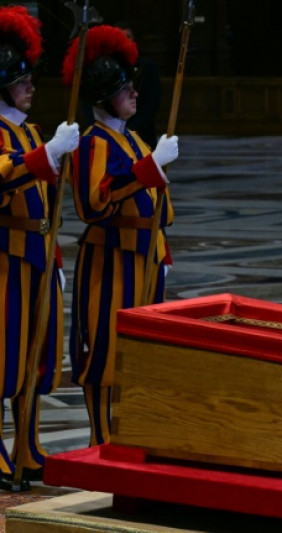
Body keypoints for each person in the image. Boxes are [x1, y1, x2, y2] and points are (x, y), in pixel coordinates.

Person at [64, 25, 180, 445]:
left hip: (144, 257)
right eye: (124, 89)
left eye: (133, 87)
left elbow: (155, 204)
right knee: (106, 348)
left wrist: (163, 254)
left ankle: (132, 432)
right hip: (111, 261)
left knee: (142, 350)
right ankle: (101, 437)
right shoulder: (93, 143)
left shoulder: (131, 140)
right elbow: (95, 203)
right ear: (104, 97)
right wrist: (151, 168)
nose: (134, 93)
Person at [0, 5, 79, 481]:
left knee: (37, 354)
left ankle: (27, 443)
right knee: (3, 353)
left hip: (36, 253)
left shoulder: (25, 130)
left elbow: (48, 203)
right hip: (4, 257)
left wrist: (55, 253)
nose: (32, 86)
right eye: (23, 79)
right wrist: (44, 154)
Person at [116, 21, 161, 148]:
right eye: (120, 38)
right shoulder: (106, 66)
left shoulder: (147, 67)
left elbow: (151, 103)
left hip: (141, 134)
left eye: (128, 37)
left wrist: (130, 130)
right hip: (112, 132)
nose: (125, 41)